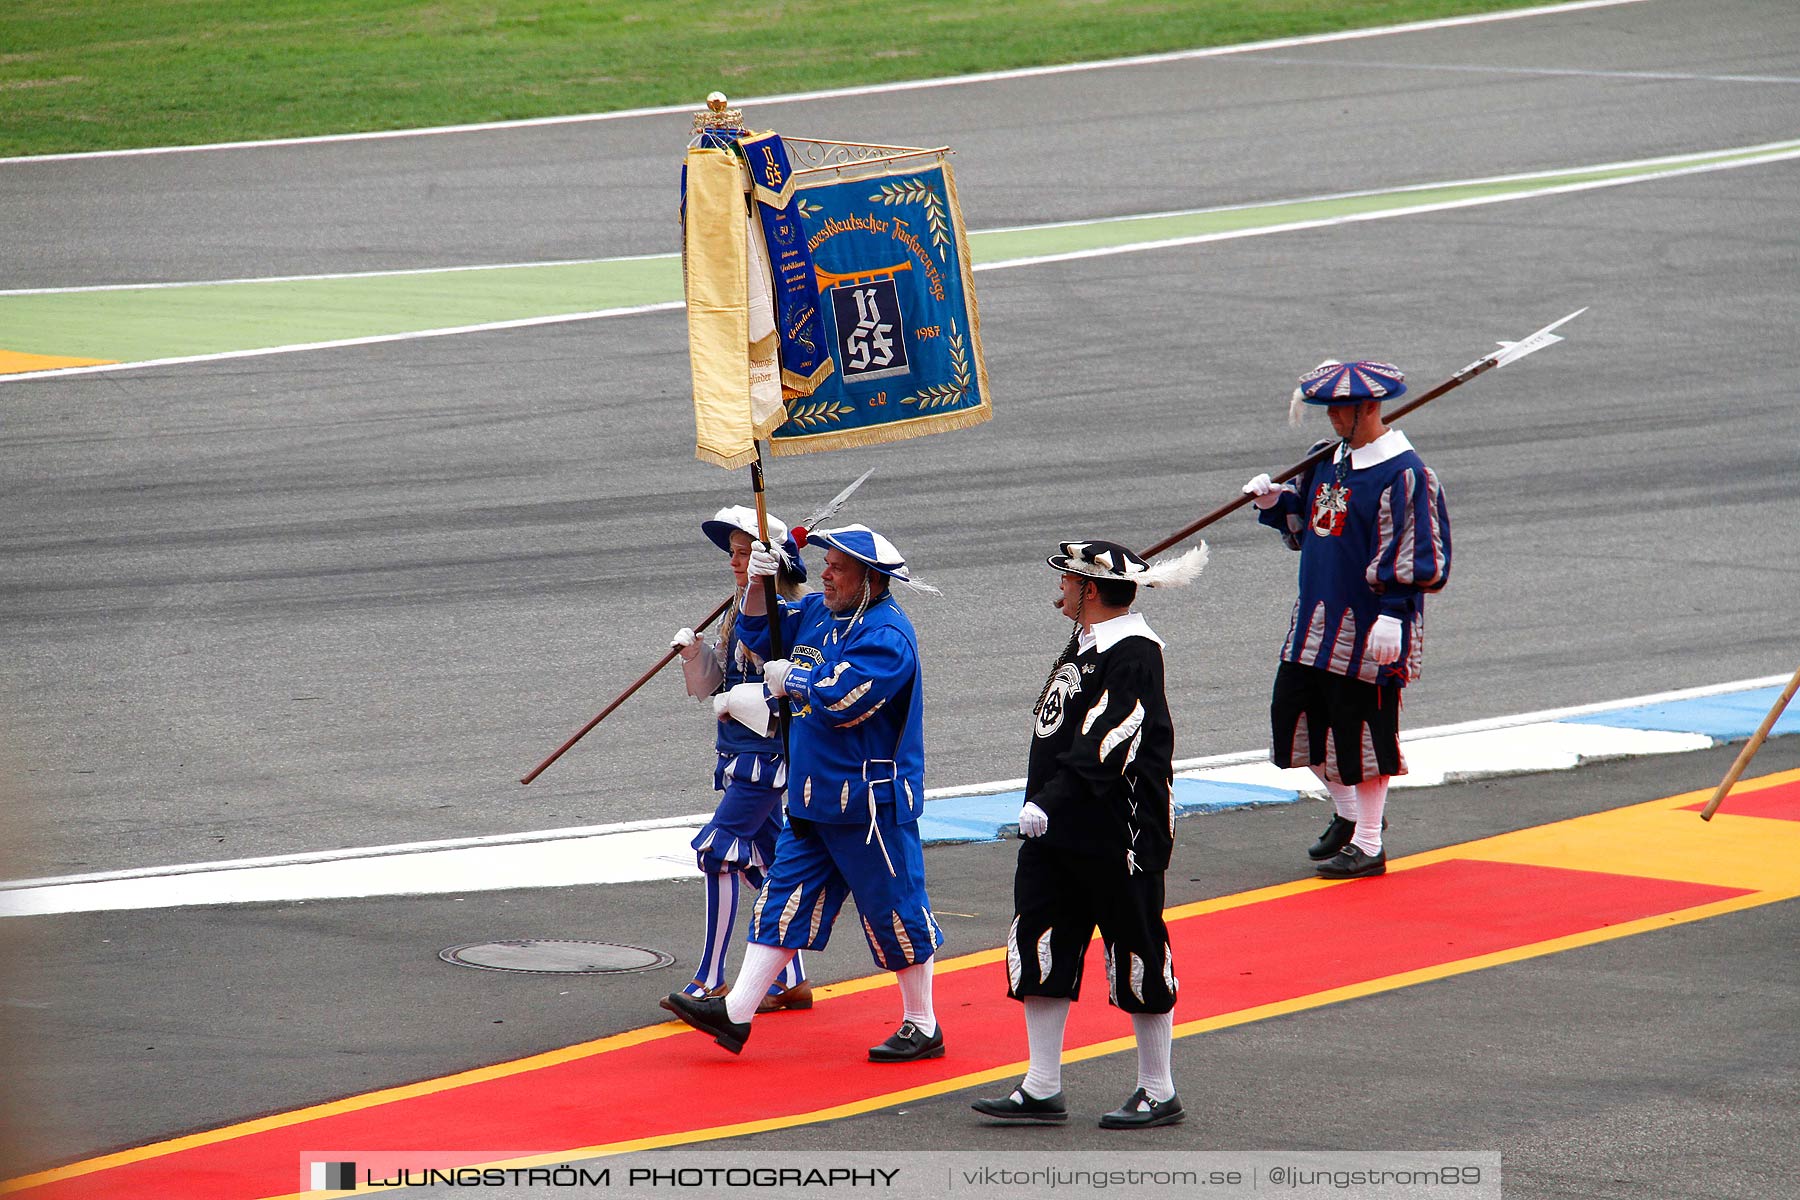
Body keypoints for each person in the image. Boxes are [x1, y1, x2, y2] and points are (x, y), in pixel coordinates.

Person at [662, 523, 947, 1062]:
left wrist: (789, 680)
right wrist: (758, 586)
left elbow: (846, 701)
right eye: (828, 564)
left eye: (838, 567)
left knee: (894, 910)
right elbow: (758, 635)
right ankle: (737, 1013)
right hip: (814, 799)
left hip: (868, 805)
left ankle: (923, 1022)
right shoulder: (820, 613)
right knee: (781, 901)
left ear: (870, 579)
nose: (826, 572)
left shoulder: (887, 636)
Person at [973, 539, 1205, 1131]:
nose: (1059, 593)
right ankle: (1042, 1085)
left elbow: (1112, 737)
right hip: (1059, 826)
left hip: (1117, 833)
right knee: (1043, 941)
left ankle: (1159, 1089)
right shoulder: (1090, 639)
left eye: (1068, 584)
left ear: (1092, 591)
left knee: (1135, 948)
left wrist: (1048, 802)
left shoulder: (1135, 652)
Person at [1241, 359, 1452, 878]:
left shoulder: (1407, 474)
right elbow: (1307, 527)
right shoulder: (1324, 460)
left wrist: (1395, 615)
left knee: (1364, 733)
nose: (1334, 420)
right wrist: (1275, 501)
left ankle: (1370, 841)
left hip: (1371, 625)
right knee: (1294, 721)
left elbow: (1418, 549)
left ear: (1371, 408)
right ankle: (1348, 814)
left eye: (1343, 412)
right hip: (1314, 620)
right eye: (1330, 411)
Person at [659, 506, 812, 1012]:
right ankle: (790, 975)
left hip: (765, 758)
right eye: (733, 555)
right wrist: (694, 654)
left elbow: (780, 680)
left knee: (718, 853)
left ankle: (709, 978)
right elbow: (717, 685)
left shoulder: (787, 615)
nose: (734, 562)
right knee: (763, 863)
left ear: (774, 562)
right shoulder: (736, 610)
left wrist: (760, 588)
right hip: (735, 754)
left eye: (745, 554)